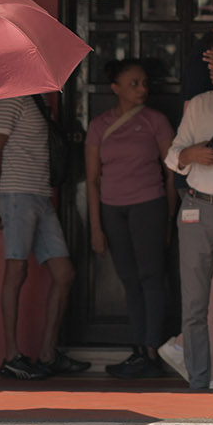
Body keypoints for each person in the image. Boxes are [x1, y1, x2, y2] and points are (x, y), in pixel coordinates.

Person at [162, 29, 213, 392]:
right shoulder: (199, 104)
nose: (210, 67)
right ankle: (199, 379)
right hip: (196, 206)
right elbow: (172, 155)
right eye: (207, 61)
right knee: (194, 302)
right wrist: (190, 154)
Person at [86, 59, 178, 379]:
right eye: (134, 84)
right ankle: (137, 349)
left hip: (149, 205)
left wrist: (169, 216)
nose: (142, 89)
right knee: (129, 279)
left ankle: (152, 351)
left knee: (151, 277)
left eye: (144, 83)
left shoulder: (156, 121)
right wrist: (96, 228)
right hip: (112, 209)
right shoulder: (99, 125)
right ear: (116, 89)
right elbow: (92, 179)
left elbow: (171, 172)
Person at [0, 91, 85, 380]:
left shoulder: (36, 100)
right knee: (16, 270)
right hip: (17, 194)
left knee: (64, 274)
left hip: (41, 195)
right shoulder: (11, 98)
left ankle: (48, 354)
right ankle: (11, 356)